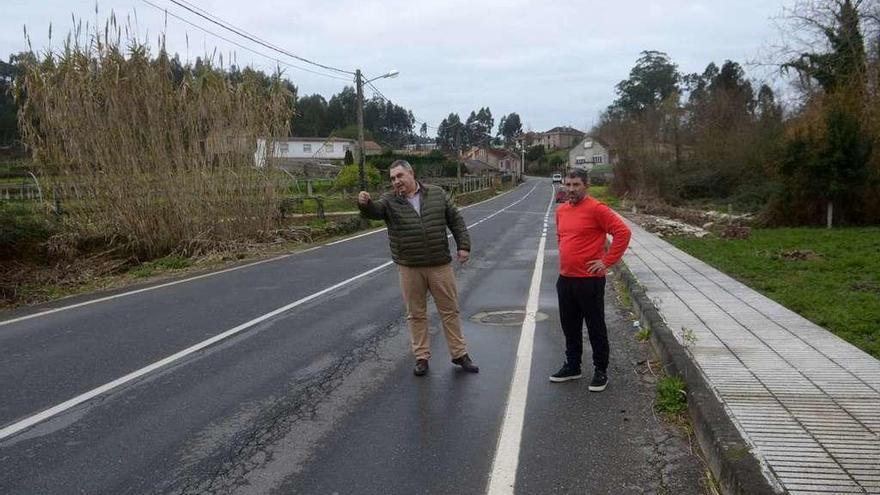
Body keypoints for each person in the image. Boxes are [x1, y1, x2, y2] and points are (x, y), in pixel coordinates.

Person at [358, 160, 479, 376]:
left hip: (439, 265)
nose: (396, 181)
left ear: (411, 174)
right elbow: (374, 212)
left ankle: (460, 354)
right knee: (416, 315)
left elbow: (456, 221)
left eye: (400, 176)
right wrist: (365, 204)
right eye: (393, 178)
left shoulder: (437, 194)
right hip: (409, 267)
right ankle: (421, 357)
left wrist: (463, 246)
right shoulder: (389, 201)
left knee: (450, 311)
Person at [551, 169, 631, 391]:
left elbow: (623, 233)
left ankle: (600, 370)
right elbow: (561, 236)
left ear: (585, 185)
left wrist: (606, 262)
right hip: (566, 278)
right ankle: (573, 366)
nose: (571, 189)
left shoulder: (597, 209)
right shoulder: (561, 211)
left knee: (595, 326)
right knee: (570, 326)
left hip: (590, 280)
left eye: (576, 185)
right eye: (568, 185)